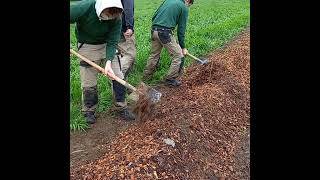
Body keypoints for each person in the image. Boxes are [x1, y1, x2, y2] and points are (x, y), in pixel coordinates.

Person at [70, 0, 136, 124]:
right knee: (88, 81)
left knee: (118, 76)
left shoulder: (116, 16)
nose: (110, 18)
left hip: (107, 44)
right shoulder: (84, 7)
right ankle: (89, 110)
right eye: (107, 14)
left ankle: (120, 106)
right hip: (87, 45)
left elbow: (112, 41)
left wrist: (108, 62)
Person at [142, 0, 194, 86]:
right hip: (164, 33)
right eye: (189, 5)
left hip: (154, 30)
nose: (187, 7)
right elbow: (181, 30)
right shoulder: (184, 7)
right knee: (178, 55)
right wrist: (183, 47)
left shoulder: (168, 0)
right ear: (188, 1)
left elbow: (154, 16)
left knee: (154, 55)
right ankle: (170, 78)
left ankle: (146, 78)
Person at [118, 0, 136, 79]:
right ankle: (118, 77)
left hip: (113, 27)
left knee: (121, 53)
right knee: (130, 54)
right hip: (124, 29)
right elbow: (128, 9)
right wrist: (129, 27)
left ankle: (128, 77)